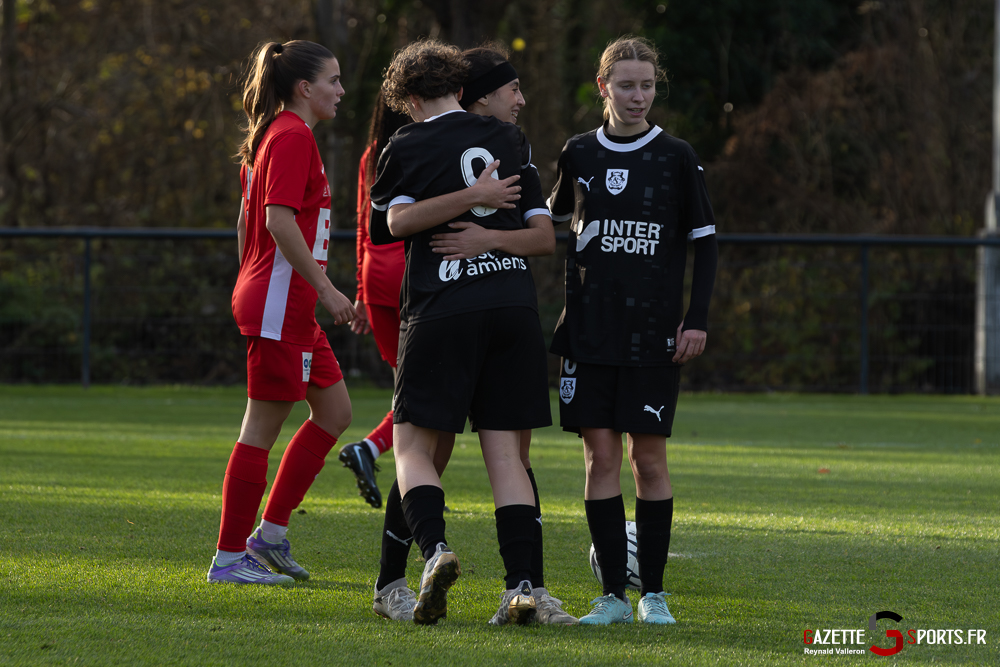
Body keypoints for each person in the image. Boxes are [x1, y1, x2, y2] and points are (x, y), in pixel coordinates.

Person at [367, 44, 575, 626]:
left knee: (412, 448)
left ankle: (434, 551)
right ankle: (522, 590)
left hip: (442, 310)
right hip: (511, 307)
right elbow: (541, 235)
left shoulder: (405, 143)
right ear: (460, 89)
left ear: (408, 100)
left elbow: (396, 223)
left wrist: (470, 203)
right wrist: (485, 201)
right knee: (506, 456)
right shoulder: (509, 140)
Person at [547, 36, 718, 624]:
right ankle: (612, 598)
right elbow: (548, 226)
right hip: (589, 334)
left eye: (647, 85)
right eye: (626, 85)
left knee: (648, 460)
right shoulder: (577, 153)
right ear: (604, 88)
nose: (638, 96)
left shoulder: (675, 155)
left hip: (651, 337)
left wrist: (695, 319)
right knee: (599, 460)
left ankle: (655, 595)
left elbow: (706, 245)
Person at [206, 40, 357, 585]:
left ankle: (268, 535)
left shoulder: (277, 134)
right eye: (334, 80)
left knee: (336, 413)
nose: (341, 91)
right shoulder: (292, 136)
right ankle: (228, 559)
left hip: (284, 305)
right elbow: (276, 221)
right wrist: (327, 289)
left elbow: (250, 226)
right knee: (259, 430)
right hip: (279, 303)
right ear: (304, 87)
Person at [338, 94, 411, 510]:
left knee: (408, 384)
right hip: (412, 275)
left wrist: (363, 293)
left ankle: (411, 477)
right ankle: (375, 451)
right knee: (423, 390)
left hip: (377, 279)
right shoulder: (425, 144)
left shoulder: (372, 152)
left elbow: (364, 228)